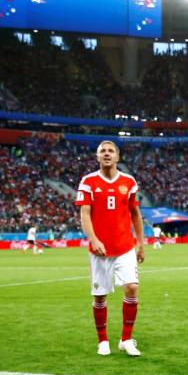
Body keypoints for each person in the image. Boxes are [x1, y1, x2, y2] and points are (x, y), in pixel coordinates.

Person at [76, 141, 146, 357]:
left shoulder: (129, 182)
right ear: (98, 157)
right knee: (100, 297)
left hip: (125, 246)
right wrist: (94, 239)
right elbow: (85, 214)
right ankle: (103, 340)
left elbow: (135, 214)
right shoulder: (88, 182)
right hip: (100, 250)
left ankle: (126, 339)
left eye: (110, 151)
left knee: (132, 288)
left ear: (117, 156)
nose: (106, 154)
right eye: (102, 151)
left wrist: (140, 242)